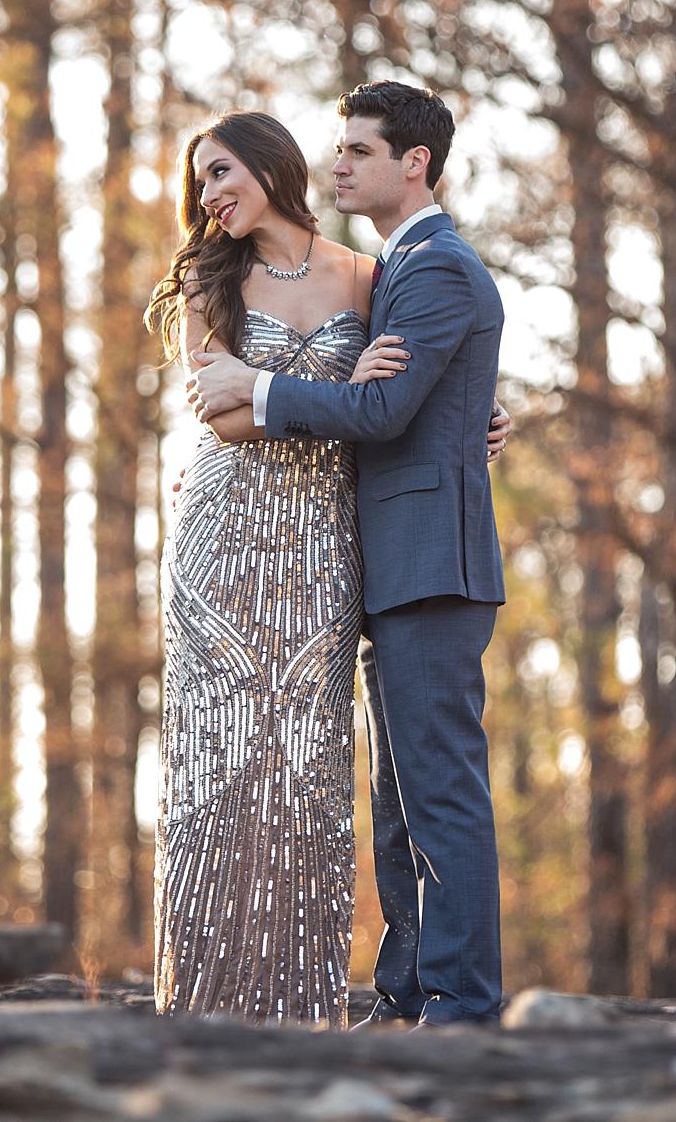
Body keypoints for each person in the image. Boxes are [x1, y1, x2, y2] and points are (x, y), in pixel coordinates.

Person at [146, 108, 507, 1028]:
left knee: (322, 780)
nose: (209, 194)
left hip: (332, 551)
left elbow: (405, 397)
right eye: (201, 181)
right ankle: (225, 995)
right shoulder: (208, 281)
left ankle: (394, 1004)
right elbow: (225, 417)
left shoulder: (377, 275)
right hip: (227, 543)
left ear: (266, 167)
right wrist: (376, 399)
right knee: (226, 776)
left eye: (222, 170)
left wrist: (477, 420)